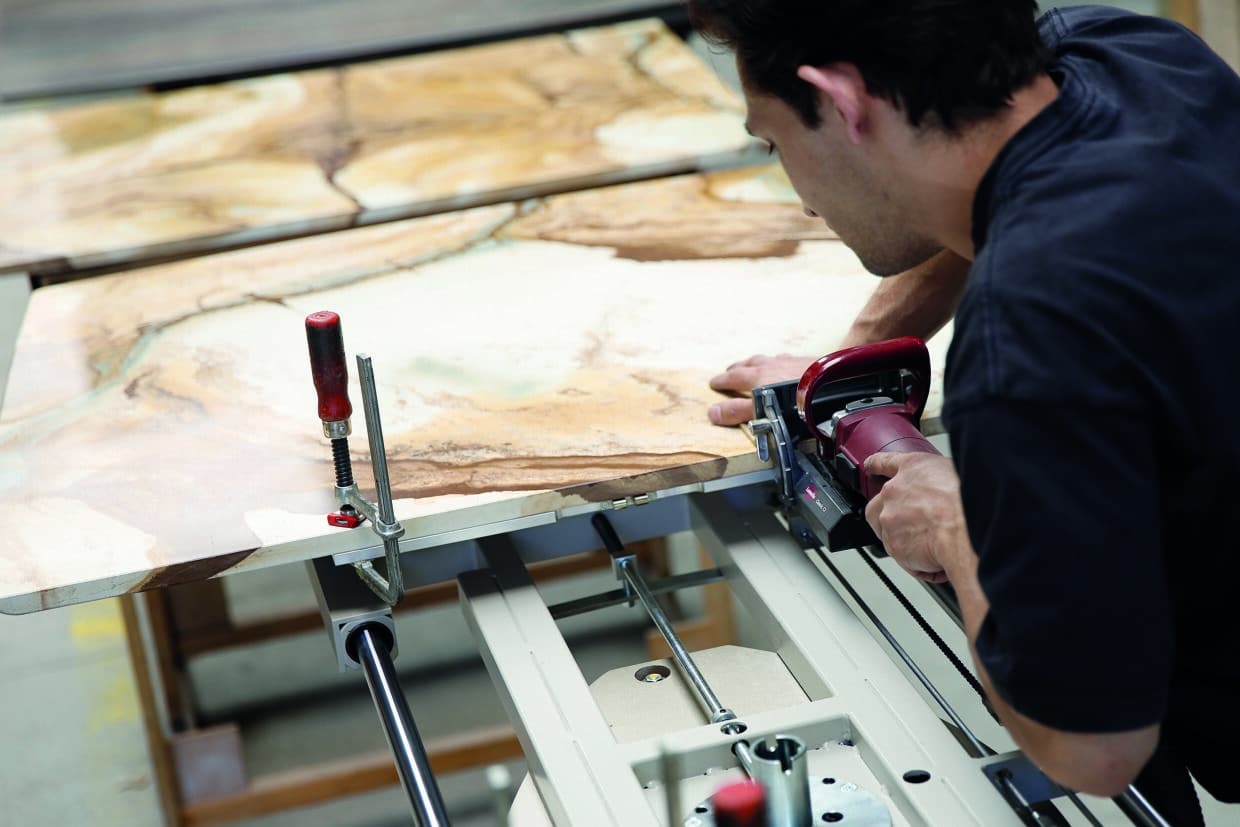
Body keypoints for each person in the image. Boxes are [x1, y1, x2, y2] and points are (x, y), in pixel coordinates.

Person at [690, 2, 1240, 824]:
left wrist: (957, 523)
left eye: (776, 145)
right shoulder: (1129, 51)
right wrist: (855, 359)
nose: (801, 197)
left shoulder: (1028, 339)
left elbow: (1091, 748)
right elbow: (975, 196)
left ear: (841, 102)